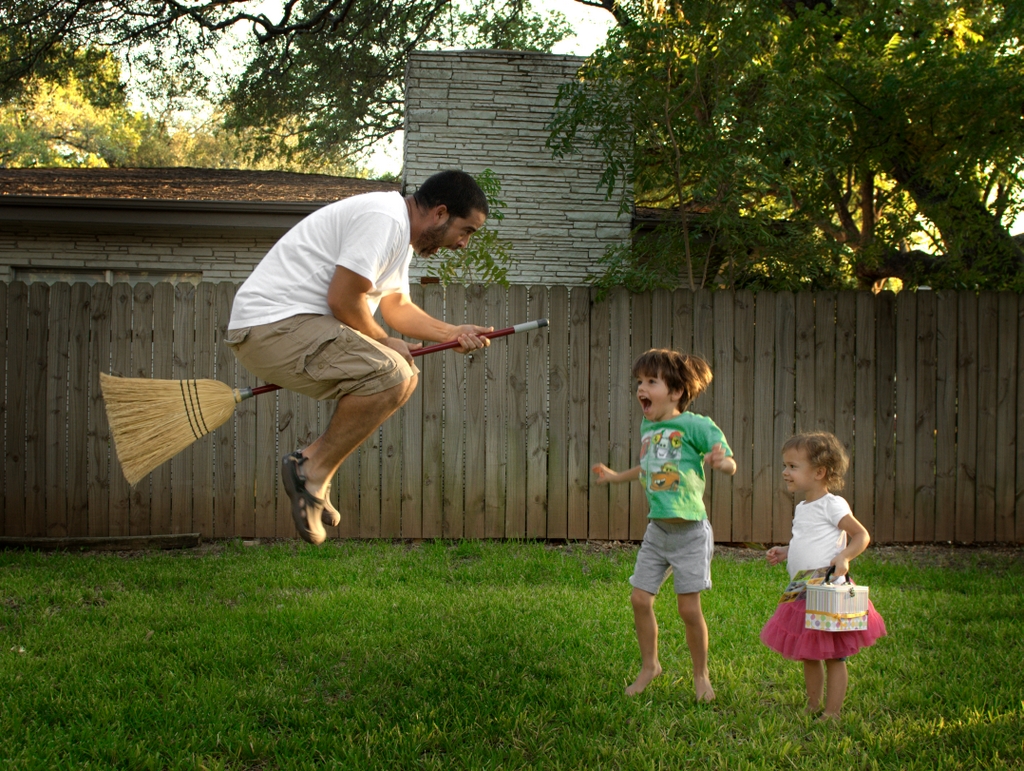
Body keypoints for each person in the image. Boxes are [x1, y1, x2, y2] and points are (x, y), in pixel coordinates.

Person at [225, 170, 493, 545]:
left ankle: (314, 476)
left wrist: (453, 333)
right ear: (440, 213)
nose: (464, 243)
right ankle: (310, 470)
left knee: (402, 374)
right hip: (272, 325)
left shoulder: (398, 232)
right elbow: (343, 299)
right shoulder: (384, 218)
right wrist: (385, 341)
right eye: (466, 230)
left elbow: (397, 307)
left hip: (286, 327)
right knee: (394, 373)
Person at [592, 349, 736, 700]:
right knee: (640, 599)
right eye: (639, 382)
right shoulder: (649, 426)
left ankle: (701, 675)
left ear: (675, 392)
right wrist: (615, 477)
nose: (641, 388)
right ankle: (650, 666)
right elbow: (649, 468)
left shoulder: (696, 426)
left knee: (688, 609)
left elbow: (729, 462)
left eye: (651, 382)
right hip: (658, 530)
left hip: (689, 532)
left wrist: (722, 461)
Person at [760, 432, 887, 721]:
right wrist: (785, 550)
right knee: (809, 653)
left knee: (833, 655)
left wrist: (844, 557)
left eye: (793, 466)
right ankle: (813, 705)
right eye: (785, 465)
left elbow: (861, 535)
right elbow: (809, 541)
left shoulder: (833, 505)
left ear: (819, 472)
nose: (785, 472)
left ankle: (832, 712)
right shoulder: (802, 508)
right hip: (802, 589)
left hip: (827, 589)